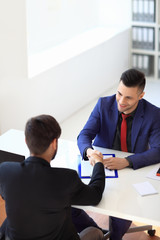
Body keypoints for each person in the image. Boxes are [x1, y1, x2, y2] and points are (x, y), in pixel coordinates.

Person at [76, 68, 160, 240]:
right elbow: (84, 135)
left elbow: (158, 150)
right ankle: (94, 230)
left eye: (128, 97)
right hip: (102, 168)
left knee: (122, 211)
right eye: (119, 93)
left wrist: (127, 161)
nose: (121, 101)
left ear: (141, 96)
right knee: (70, 203)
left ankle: (114, 236)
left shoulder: (154, 114)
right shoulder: (103, 105)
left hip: (130, 172)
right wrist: (89, 152)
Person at [0, 114, 105, 240]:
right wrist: (99, 163)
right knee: (96, 232)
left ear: (26, 141)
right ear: (54, 143)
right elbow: (95, 196)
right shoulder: (66, 179)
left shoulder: (5, 171)